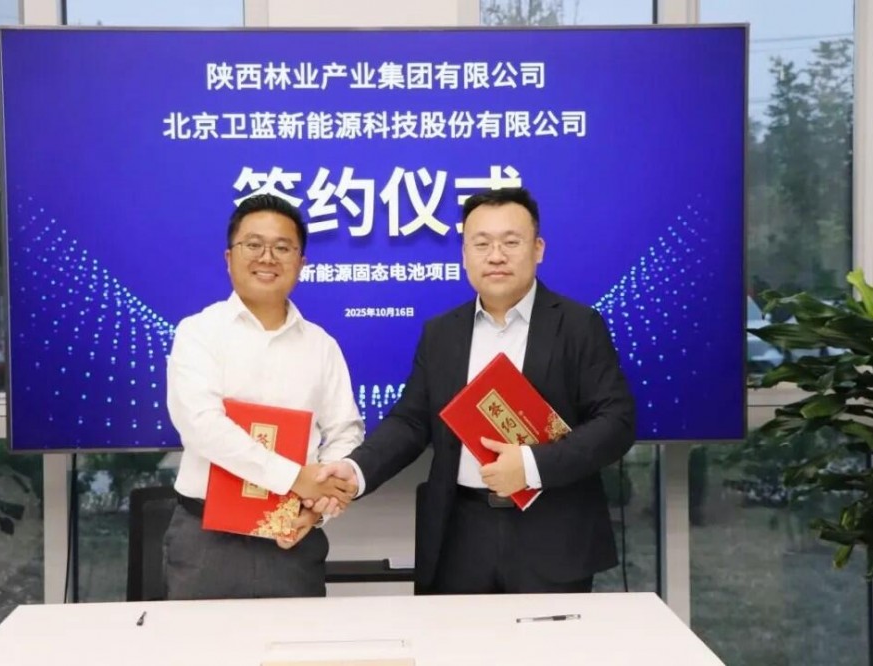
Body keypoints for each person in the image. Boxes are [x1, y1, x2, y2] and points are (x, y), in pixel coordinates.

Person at [316, 187, 635, 595]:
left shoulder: (578, 326)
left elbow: (616, 423)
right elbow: (411, 422)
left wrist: (532, 465)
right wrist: (356, 469)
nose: (495, 256)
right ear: (464, 254)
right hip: (459, 535)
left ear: (538, 249)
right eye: (481, 244)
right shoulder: (442, 333)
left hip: (552, 534)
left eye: (510, 242)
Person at [164, 193, 361, 599]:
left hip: (291, 538)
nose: (267, 257)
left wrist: (317, 508)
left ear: (301, 263)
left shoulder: (322, 346)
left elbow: (346, 432)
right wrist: (295, 479)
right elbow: (202, 426)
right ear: (229, 257)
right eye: (253, 244)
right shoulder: (198, 332)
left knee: (298, 641)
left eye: (283, 248)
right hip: (206, 543)